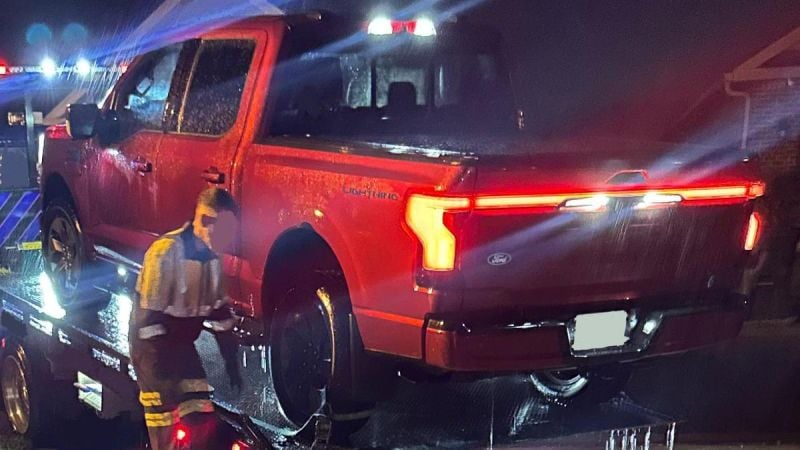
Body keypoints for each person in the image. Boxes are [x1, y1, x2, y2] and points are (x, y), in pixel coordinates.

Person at [130, 188, 243, 450]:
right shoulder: (164, 253)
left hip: (181, 346)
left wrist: (232, 364)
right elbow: (147, 324)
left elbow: (221, 317)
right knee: (165, 424)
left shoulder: (212, 260)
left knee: (202, 417)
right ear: (204, 221)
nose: (229, 239)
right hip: (151, 351)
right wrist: (164, 380)